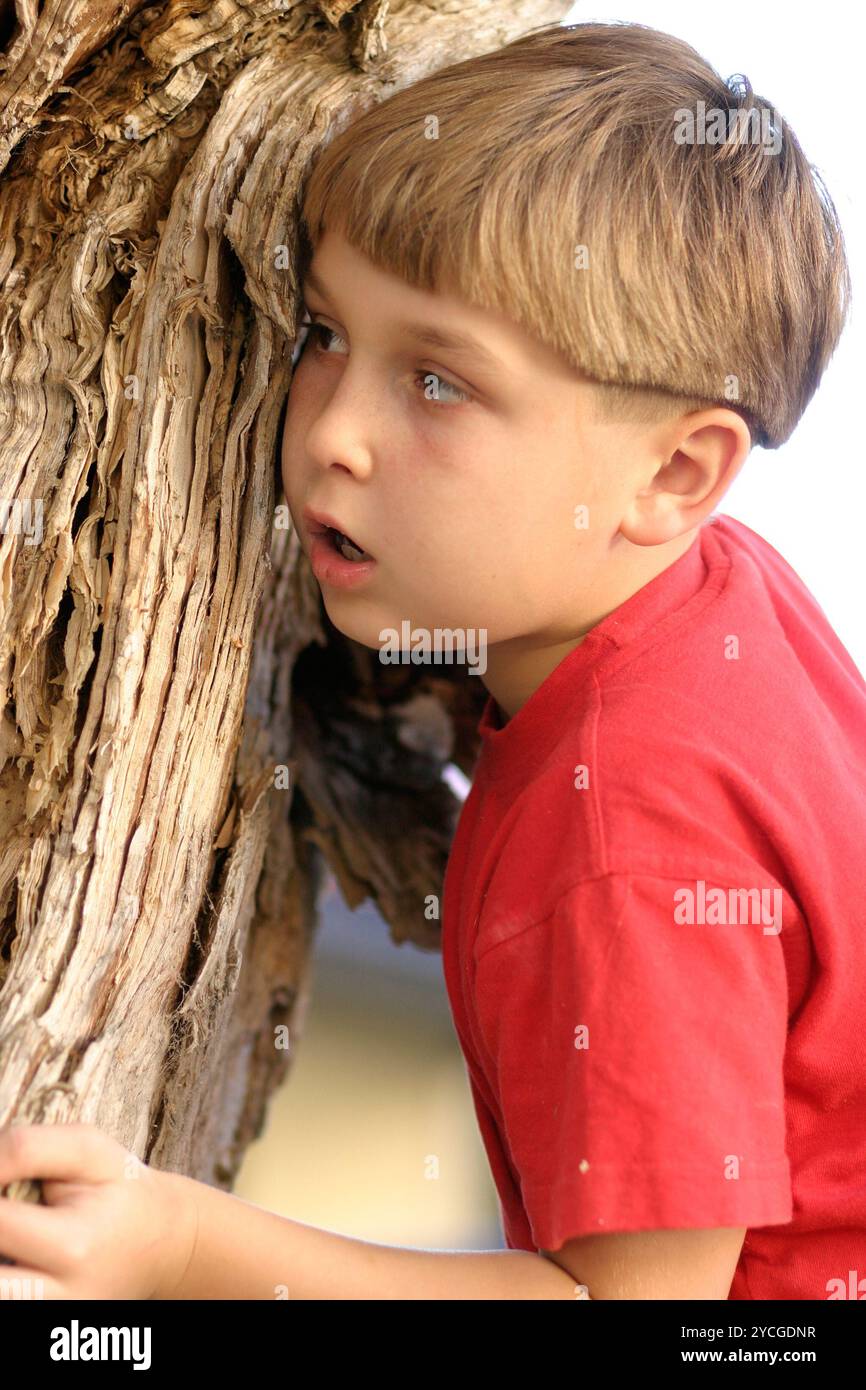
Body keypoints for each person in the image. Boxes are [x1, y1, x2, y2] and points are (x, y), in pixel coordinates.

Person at [0, 20, 860, 1300]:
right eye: (325, 333)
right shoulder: (709, 596)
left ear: (674, 473)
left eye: (440, 384)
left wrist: (181, 1250)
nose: (334, 430)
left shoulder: (632, 832)